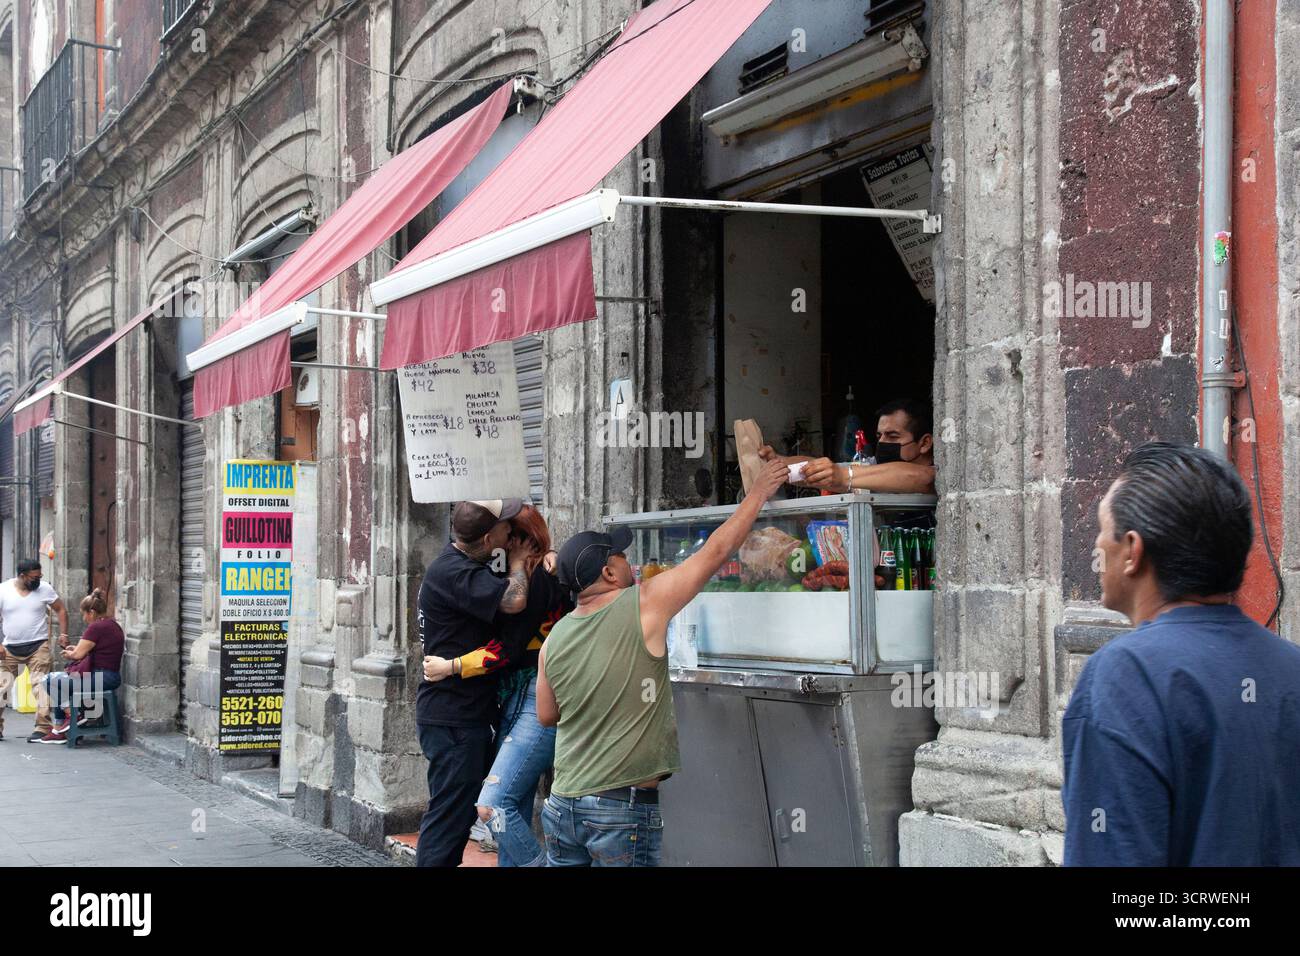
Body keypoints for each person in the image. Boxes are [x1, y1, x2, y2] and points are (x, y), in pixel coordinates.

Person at [536, 458, 788, 867]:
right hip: (618, 810)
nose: (626, 560)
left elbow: (547, 715)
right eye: (619, 556)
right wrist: (757, 494)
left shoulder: (555, 637)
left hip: (563, 804)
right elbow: (717, 551)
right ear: (609, 572)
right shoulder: (644, 603)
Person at [1062, 442, 1300, 866]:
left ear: (1133, 550)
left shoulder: (1125, 674)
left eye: (1101, 529)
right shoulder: (1291, 666)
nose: (1097, 546)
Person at [424, 504, 569, 866]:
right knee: (494, 805)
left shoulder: (537, 579)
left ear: (520, 541)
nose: (502, 543)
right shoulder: (476, 571)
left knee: (498, 802)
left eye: (509, 533)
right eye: (500, 533)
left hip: (532, 694)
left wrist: (454, 666)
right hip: (495, 702)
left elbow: (507, 648)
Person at [760, 398, 937, 494]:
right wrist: (779, 463)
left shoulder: (936, 475)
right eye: (879, 435)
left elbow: (922, 478)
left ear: (925, 443)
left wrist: (844, 476)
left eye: (892, 436)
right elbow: (823, 469)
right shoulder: (873, 467)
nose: (882, 442)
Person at [39, 588, 124, 745]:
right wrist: (74, 650)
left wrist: (69, 653)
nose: (84, 618)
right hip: (109, 676)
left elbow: (78, 655)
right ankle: (59, 728)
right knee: (60, 684)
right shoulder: (112, 624)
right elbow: (85, 650)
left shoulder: (96, 627)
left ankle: (72, 716)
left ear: (91, 612)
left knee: (48, 680)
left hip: (101, 677)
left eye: (84, 614)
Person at [0, 559, 70, 743]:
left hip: (38, 645)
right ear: (22, 576)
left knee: (41, 686)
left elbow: (60, 610)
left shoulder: (45, 589)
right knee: (2, 688)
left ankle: (42, 727)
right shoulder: (3, 590)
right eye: (34, 578)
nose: (38, 581)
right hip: (9, 648)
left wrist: (63, 633)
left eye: (40, 577)